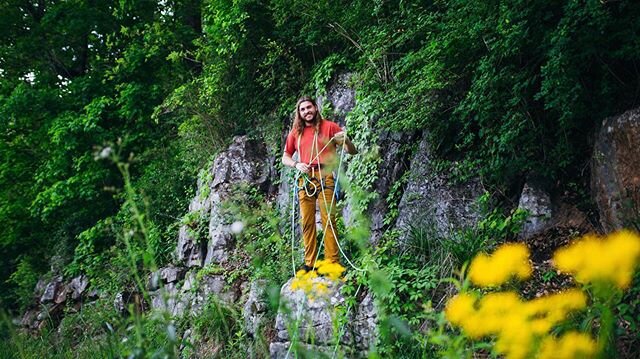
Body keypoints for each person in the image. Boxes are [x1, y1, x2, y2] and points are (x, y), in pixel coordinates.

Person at [282, 96, 358, 272]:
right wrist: (296, 164)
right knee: (306, 222)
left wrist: (346, 140)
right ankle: (310, 264)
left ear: (315, 108)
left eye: (309, 107)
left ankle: (333, 264)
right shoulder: (296, 133)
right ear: (299, 113)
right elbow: (285, 157)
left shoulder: (330, 127)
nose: (307, 111)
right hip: (305, 178)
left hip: (326, 176)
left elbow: (352, 151)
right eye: (303, 109)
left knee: (328, 220)